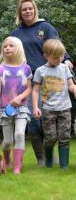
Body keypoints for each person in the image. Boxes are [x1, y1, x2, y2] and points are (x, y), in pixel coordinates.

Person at [11, 0, 73, 166]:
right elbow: (11, 56)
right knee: (33, 119)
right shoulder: (16, 34)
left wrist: (66, 59)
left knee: (50, 118)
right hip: (27, 82)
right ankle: (41, 158)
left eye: (30, 8)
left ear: (35, 10)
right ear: (20, 13)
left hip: (49, 80)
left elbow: (57, 47)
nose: (28, 11)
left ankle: (52, 157)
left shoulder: (45, 27)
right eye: (24, 9)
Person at [0, 36, 32, 174]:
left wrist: (20, 98)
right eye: (5, 46)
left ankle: (17, 167)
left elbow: (29, 89)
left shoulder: (26, 68)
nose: (7, 48)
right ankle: (7, 161)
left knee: (19, 134)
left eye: (11, 45)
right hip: (5, 109)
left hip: (22, 108)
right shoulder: (0, 69)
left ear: (18, 48)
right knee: (8, 140)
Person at [32, 39, 76, 169]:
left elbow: (71, 85)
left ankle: (64, 166)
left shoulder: (64, 69)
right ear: (46, 55)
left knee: (64, 137)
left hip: (65, 109)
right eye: (55, 57)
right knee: (50, 138)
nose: (59, 59)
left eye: (61, 56)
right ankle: (49, 162)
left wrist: (74, 89)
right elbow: (35, 90)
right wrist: (35, 107)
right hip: (48, 109)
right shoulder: (40, 71)